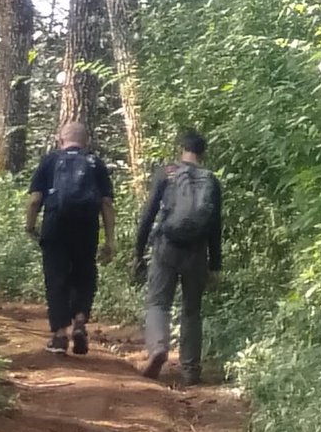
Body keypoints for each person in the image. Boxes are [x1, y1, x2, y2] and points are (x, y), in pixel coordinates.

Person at [134, 129, 222, 385]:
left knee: (158, 303)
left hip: (166, 247)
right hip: (197, 252)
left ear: (181, 149)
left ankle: (159, 348)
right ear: (203, 153)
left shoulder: (167, 173)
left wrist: (138, 252)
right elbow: (216, 225)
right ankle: (190, 369)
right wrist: (215, 265)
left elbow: (149, 214)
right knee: (192, 310)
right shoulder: (210, 180)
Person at [25, 120, 116, 355]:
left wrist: (30, 226)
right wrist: (110, 239)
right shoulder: (96, 163)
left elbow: (35, 199)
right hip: (86, 227)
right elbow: (106, 204)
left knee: (56, 277)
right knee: (84, 273)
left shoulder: (50, 161)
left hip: (55, 226)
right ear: (86, 141)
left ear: (60, 139)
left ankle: (59, 335)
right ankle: (79, 320)